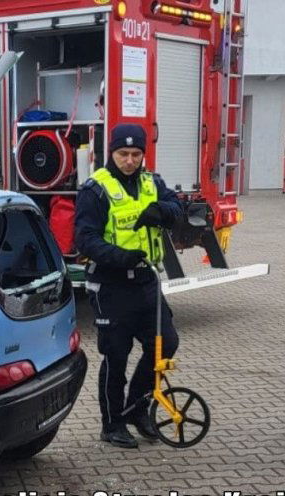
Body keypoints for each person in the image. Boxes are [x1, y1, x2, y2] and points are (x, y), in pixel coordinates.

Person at [74, 123, 182, 449]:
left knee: (166, 344)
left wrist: (162, 210)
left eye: (136, 154)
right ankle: (112, 424)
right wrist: (121, 256)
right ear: (112, 153)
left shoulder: (153, 182)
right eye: (123, 154)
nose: (130, 160)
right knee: (116, 357)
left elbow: (178, 210)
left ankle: (137, 407)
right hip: (111, 286)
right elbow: (85, 239)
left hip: (147, 283)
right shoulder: (95, 189)